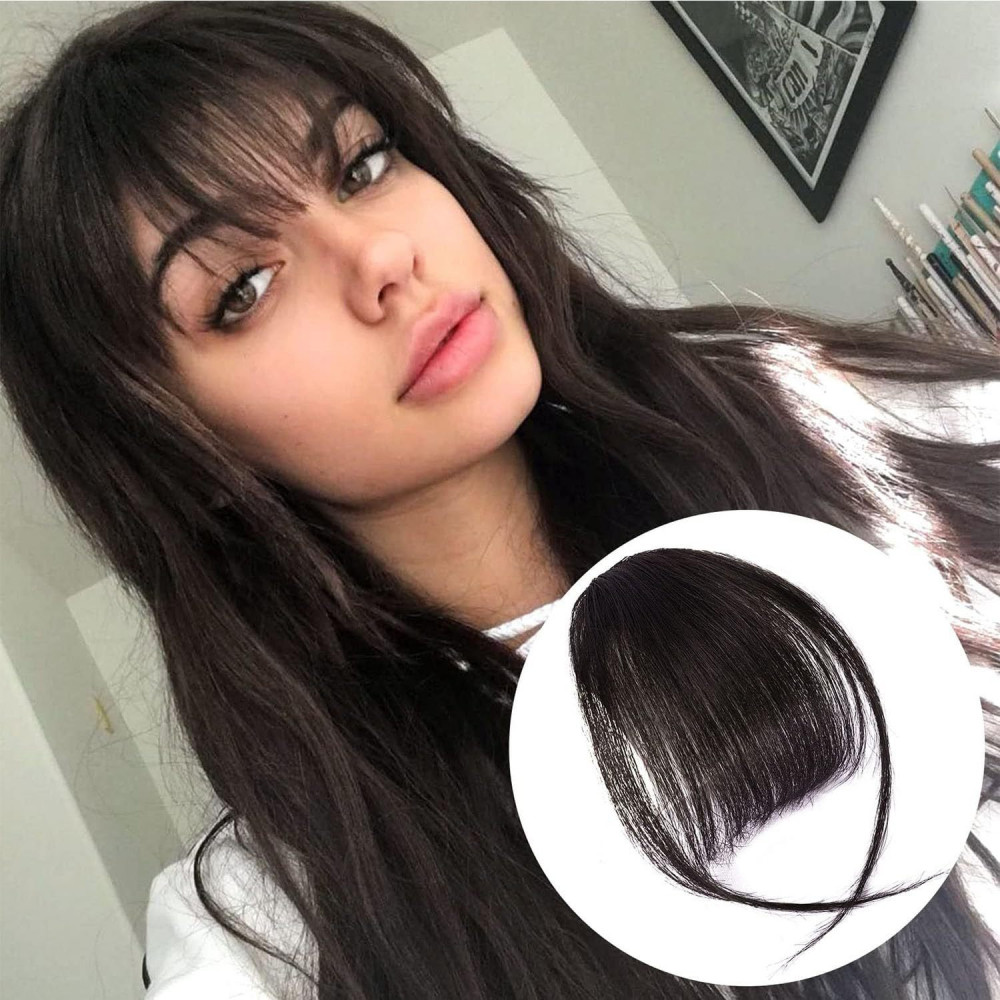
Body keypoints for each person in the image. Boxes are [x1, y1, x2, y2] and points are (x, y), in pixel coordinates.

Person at [1, 3, 998, 998]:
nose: (381, 258)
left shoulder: (820, 417)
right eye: (244, 288)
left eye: (362, 168)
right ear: (167, 441)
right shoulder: (278, 923)